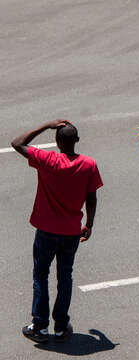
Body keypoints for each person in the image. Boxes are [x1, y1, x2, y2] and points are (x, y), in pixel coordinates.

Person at [11, 120, 103, 343]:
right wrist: (89, 224)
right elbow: (91, 199)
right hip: (71, 232)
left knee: (41, 276)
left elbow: (17, 143)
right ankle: (61, 326)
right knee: (65, 277)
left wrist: (45, 125)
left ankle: (40, 327)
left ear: (57, 142)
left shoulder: (47, 160)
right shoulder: (89, 165)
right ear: (77, 141)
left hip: (46, 231)